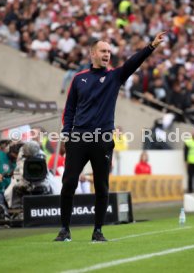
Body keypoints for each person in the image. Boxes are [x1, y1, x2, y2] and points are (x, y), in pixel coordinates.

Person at [54, 31, 166, 242]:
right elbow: (68, 110)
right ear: (93, 54)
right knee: (68, 182)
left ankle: (98, 231)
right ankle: (64, 229)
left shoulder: (115, 76)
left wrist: (151, 46)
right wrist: (67, 135)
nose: (107, 54)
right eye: (103, 51)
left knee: (102, 185)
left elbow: (133, 62)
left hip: (103, 138)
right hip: (78, 138)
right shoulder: (79, 79)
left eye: (109, 52)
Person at [0, 142, 22, 219]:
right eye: (15, 154)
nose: (16, 157)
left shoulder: (22, 161)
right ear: (11, 152)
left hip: (15, 192)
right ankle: (3, 218)